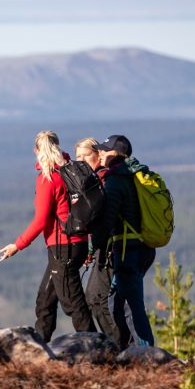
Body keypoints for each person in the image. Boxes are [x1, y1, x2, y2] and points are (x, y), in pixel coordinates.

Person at [0, 131, 94, 342]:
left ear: (36, 151)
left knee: (73, 303)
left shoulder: (48, 179)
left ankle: (96, 351)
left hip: (63, 248)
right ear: (58, 146)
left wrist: (17, 245)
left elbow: (41, 220)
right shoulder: (72, 171)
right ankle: (40, 347)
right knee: (46, 299)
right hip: (78, 244)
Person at [95, 134, 157, 348]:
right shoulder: (134, 174)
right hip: (142, 248)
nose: (101, 154)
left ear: (117, 154)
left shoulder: (116, 180)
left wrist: (93, 245)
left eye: (105, 150)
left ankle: (147, 355)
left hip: (127, 251)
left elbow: (107, 219)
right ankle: (130, 350)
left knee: (133, 307)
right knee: (116, 301)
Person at [74, 137, 122, 346]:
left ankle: (118, 348)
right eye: (78, 157)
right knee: (100, 298)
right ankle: (117, 345)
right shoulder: (98, 180)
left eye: (86, 155)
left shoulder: (104, 180)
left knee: (97, 298)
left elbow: (104, 220)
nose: (82, 160)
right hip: (108, 245)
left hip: (113, 245)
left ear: (98, 155)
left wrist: (91, 250)